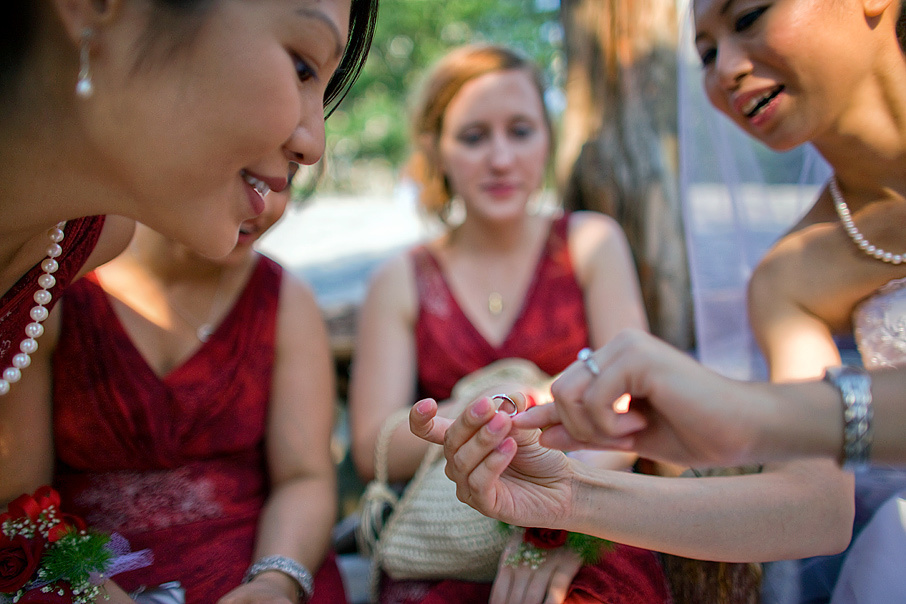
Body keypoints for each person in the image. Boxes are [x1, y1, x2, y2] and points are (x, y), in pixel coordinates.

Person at [409, 0, 906, 570]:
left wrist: (746, 415)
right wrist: (572, 499)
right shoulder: (792, 274)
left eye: (748, 18)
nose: (725, 71)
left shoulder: (589, 243)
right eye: (706, 53)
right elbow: (814, 512)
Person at [0, 0, 377, 601]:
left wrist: (277, 580)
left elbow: (305, 474)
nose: (311, 145)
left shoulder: (71, 243)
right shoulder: (76, 270)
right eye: (303, 66)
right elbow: (15, 511)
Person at [348, 44, 672, 604]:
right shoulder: (400, 279)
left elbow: (629, 406)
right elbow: (372, 444)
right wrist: (490, 408)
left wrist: (563, 520)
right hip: (447, 534)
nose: (501, 159)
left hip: (590, 522)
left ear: (547, 139)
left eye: (520, 131)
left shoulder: (590, 244)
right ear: (438, 149)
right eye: (474, 137)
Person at [48, 173, 344, 603]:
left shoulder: (284, 299)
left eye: (281, 181)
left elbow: (304, 476)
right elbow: (14, 500)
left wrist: (275, 581)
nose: (265, 205)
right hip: (84, 575)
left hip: (258, 561)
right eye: (244, 173)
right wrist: (87, 589)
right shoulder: (55, 291)